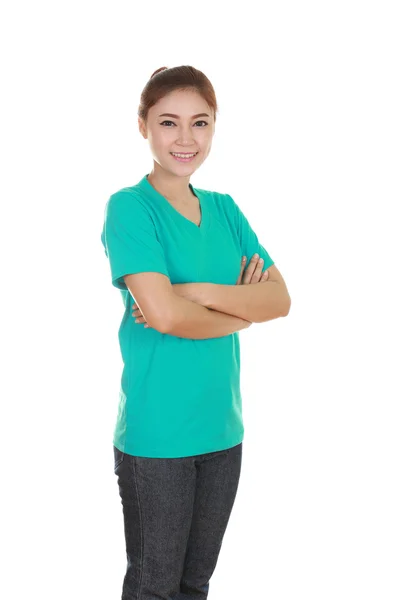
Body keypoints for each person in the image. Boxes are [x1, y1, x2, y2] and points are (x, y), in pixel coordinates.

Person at [100, 65, 290, 600]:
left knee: (195, 584)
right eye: (168, 122)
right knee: (154, 587)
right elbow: (162, 317)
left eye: (200, 123)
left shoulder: (227, 210)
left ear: (213, 128)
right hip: (157, 437)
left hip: (223, 432)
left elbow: (280, 299)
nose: (186, 139)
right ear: (143, 126)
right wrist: (242, 312)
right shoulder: (130, 208)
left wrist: (196, 293)